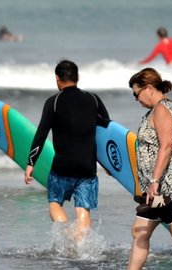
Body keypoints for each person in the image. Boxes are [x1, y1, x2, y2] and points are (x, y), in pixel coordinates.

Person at [24, 59, 110, 240]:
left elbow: (41, 135)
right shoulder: (93, 99)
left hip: (61, 168)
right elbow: (106, 131)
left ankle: (66, 234)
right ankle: (81, 246)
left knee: (55, 203)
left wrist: (31, 163)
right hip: (87, 167)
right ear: (78, 77)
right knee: (83, 210)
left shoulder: (53, 102)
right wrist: (110, 165)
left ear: (57, 79)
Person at [127, 68, 172, 269]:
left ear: (149, 88)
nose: (136, 99)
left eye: (137, 93)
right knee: (139, 230)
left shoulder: (161, 109)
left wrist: (154, 181)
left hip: (166, 187)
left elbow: (167, 145)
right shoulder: (162, 109)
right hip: (158, 191)